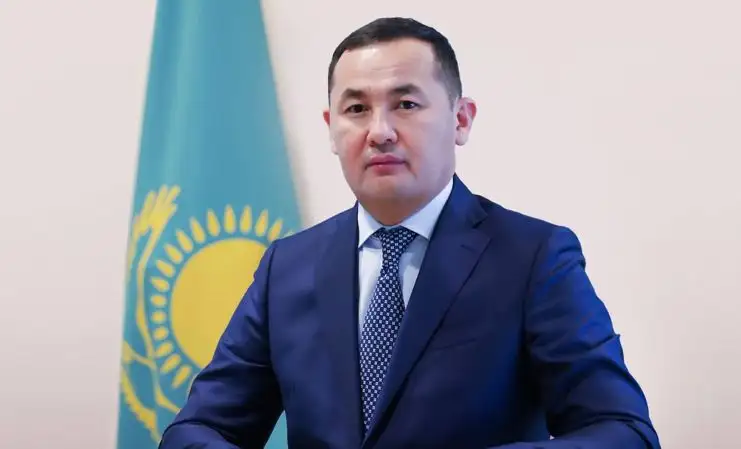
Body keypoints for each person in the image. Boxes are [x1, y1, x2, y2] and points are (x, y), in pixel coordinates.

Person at [159, 17, 660, 449]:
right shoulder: (287, 267)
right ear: (332, 128)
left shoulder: (533, 257)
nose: (379, 131)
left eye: (405, 104)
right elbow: (199, 428)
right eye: (356, 109)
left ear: (460, 120)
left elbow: (623, 431)